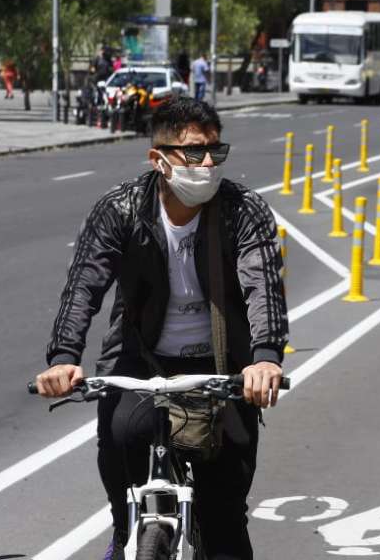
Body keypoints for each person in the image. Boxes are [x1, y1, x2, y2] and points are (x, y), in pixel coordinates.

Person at [35, 96, 288, 560]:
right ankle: (124, 531)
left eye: (216, 151)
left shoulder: (243, 211)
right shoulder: (120, 209)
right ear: (158, 159)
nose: (208, 163)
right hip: (140, 361)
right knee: (121, 444)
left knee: (224, 515)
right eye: (193, 152)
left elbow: (263, 287)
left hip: (222, 366)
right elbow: (82, 287)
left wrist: (265, 359)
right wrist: (63, 360)